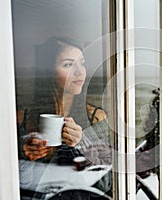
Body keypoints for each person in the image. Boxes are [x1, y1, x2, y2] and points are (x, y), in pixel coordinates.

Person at [17, 36, 112, 195]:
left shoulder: (95, 117)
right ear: (47, 72)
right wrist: (23, 152)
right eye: (68, 64)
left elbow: (106, 184)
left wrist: (81, 143)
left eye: (82, 63)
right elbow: (8, 180)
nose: (79, 71)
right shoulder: (22, 118)